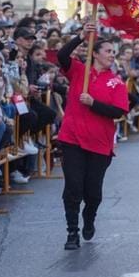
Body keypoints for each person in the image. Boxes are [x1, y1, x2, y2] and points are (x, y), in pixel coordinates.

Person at [55, 22, 129, 250]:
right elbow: (61, 56)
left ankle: (89, 217)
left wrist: (93, 103)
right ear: (95, 53)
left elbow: (119, 112)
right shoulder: (79, 71)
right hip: (72, 138)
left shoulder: (116, 82)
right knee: (73, 187)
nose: (112, 55)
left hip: (99, 144)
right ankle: (72, 232)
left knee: (93, 193)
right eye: (108, 51)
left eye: (114, 52)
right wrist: (81, 36)